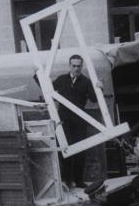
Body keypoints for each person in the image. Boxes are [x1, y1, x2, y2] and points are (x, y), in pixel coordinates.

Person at [36, 54, 101, 188]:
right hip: (64, 121)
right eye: (74, 66)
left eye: (79, 66)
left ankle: (78, 181)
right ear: (69, 66)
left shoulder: (86, 82)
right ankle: (67, 180)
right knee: (65, 150)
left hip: (79, 122)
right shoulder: (62, 79)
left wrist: (99, 87)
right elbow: (48, 91)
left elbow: (94, 99)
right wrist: (38, 76)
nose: (76, 68)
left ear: (82, 66)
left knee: (80, 151)